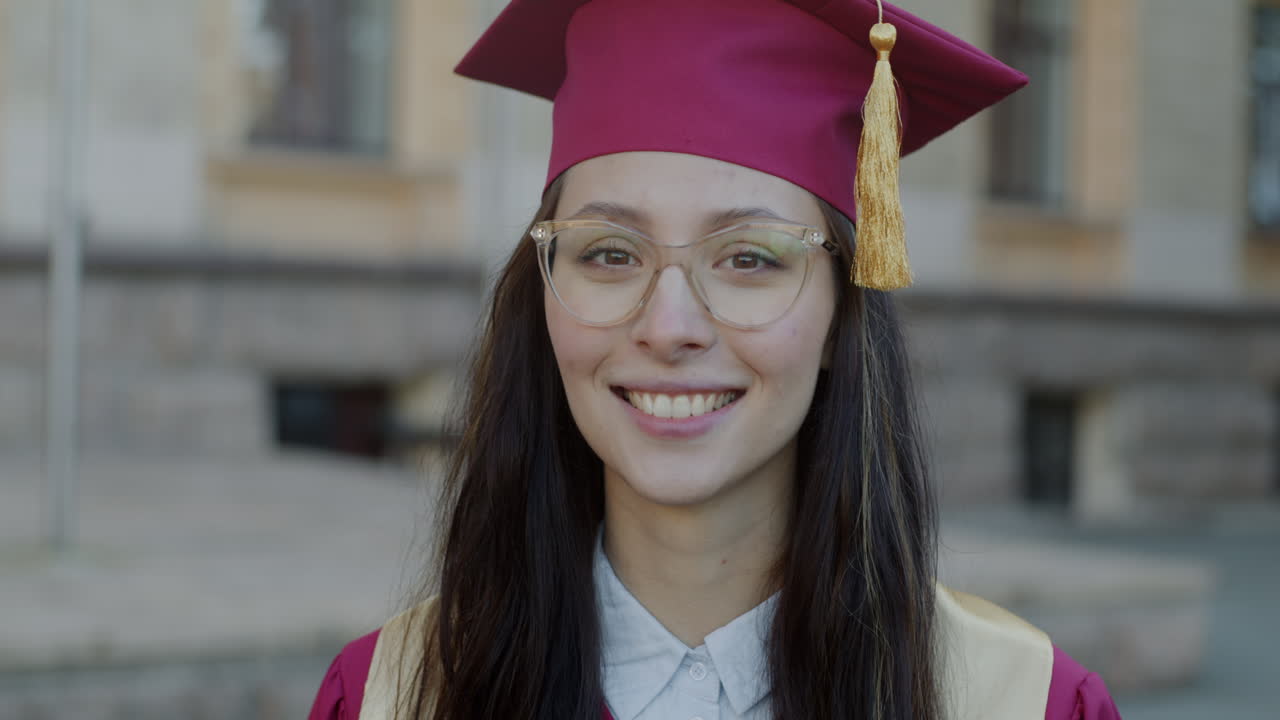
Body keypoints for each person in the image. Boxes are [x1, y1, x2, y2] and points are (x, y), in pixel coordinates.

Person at [310, 0, 1123, 718]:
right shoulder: (391, 696)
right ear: (544, 296)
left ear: (843, 314)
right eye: (609, 254)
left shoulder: (1020, 702)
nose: (670, 327)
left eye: (749, 258)